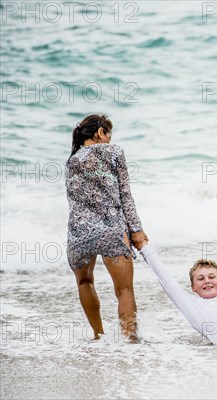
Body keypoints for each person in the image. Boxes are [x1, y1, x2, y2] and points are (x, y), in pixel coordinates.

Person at [66, 114, 148, 342]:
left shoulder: (71, 161)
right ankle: (130, 338)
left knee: (84, 282)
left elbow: (74, 201)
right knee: (124, 290)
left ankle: (98, 335)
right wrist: (136, 230)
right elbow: (125, 195)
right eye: (108, 133)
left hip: (78, 232)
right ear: (100, 132)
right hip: (111, 228)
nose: (110, 139)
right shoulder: (114, 152)